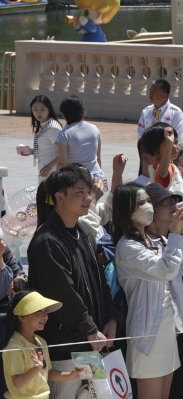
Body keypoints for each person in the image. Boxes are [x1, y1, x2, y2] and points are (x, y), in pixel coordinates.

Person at [27, 166, 118, 399]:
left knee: (96, 395)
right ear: (60, 197)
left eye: (89, 192)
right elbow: (62, 293)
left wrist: (111, 317)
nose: (88, 198)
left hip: (91, 341)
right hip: (65, 348)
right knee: (67, 395)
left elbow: (100, 281)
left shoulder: (84, 234)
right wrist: (88, 328)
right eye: (80, 192)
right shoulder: (47, 241)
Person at [113, 183, 183, 399]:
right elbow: (166, 270)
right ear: (128, 211)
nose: (149, 207)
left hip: (168, 332)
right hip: (147, 337)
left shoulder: (160, 241)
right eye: (142, 203)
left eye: (148, 201)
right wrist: (176, 234)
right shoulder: (127, 247)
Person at [2, 291, 90, 397]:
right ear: (22, 317)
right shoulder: (14, 346)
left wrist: (71, 375)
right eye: (39, 311)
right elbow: (17, 382)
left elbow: (48, 372)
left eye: (45, 311)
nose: (45, 316)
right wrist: (36, 369)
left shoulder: (41, 342)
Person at [54, 96, 104, 179]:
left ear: (64, 113)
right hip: (97, 176)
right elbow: (98, 158)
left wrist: (56, 180)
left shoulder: (64, 134)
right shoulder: (94, 128)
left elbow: (62, 163)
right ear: (82, 111)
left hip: (78, 179)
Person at [27, 95, 61, 179]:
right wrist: (31, 151)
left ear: (49, 110)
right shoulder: (42, 125)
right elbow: (47, 148)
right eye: (35, 109)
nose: (38, 113)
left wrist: (48, 167)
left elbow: (64, 153)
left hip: (53, 172)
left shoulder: (53, 128)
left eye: (42, 109)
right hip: (45, 171)